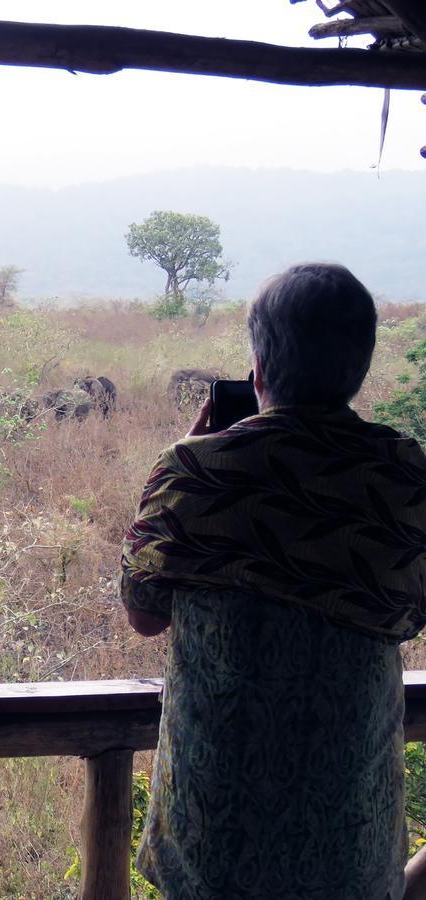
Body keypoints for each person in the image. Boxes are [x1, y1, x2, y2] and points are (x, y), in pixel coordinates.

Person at [121, 263, 426, 900]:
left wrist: (181, 466)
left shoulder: (195, 470)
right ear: (361, 365)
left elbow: (144, 612)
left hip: (213, 831)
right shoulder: (403, 476)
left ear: (258, 367)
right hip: (351, 825)